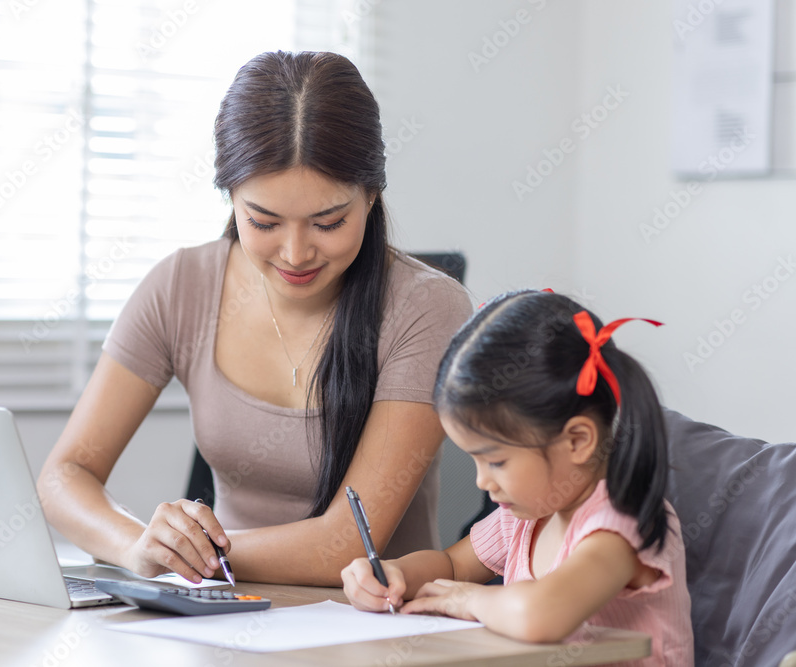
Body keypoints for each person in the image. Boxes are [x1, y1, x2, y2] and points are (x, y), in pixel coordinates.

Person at [37, 51, 472, 586]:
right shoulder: (183, 285)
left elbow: (344, 544)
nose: (295, 253)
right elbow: (64, 476)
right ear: (231, 197)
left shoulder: (427, 308)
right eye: (263, 221)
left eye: (328, 222)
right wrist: (137, 546)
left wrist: (186, 553)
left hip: (371, 629)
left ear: (372, 194)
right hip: (217, 619)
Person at [342, 290, 694, 666]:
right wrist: (392, 575)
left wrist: (468, 599)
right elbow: (451, 566)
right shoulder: (525, 516)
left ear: (577, 440)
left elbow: (539, 616)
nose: (482, 481)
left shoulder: (622, 523)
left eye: (495, 461)